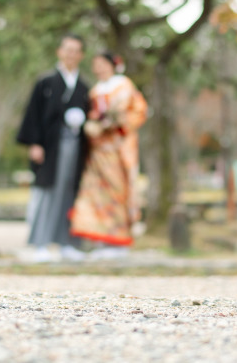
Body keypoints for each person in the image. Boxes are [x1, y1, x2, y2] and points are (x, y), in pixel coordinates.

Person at [17, 34, 90, 262]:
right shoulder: (46, 82)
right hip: (50, 147)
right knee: (47, 192)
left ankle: (67, 243)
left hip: (75, 146)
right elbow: (33, 114)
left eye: (76, 51)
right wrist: (35, 143)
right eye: (67, 50)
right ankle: (40, 243)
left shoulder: (84, 86)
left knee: (70, 191)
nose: (71, 55)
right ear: (60, 52)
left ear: (81, 55)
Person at [70, 52, 147, 259]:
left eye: (103, 64)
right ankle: (102, 239)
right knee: (96, 193)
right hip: (98, 150)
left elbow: (137, 111)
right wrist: (92, 125)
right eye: (96, 64)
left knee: (117, 191)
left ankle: (119, 239)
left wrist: (113, 123)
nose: (99, 68)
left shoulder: (123, 85)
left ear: (113, 65)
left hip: (117, 148)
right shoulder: (95, 90)